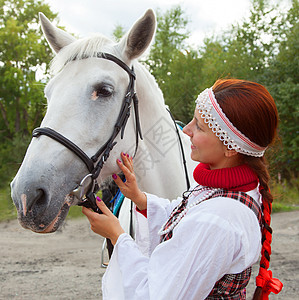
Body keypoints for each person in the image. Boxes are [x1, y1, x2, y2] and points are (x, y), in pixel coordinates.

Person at [82, 79, 283, 299]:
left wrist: (117, 235)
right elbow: (186, 218)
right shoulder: (228, 190)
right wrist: (140, 199)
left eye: (200, 126)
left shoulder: (218, 220)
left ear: (230, 148)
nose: (186, 129)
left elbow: (157, 294)